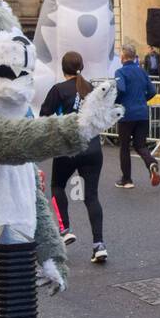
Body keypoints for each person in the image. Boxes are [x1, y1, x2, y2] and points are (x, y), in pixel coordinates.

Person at [41, 51, 108, 263]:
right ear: (82, 67)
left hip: (68, 147)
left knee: (57, 186)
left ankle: (65, 229)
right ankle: (99, 245)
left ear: (63, 69)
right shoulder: (93, 90)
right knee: (92, 196)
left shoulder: (59, 90)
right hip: (93, 147)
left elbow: (44, 117)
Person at [114, 44, 160, 188]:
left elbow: (120, 89)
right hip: (142, 113)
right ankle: (151, 162)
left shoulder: (120, 72)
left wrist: (116, 102)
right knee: (140, 145)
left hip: (127, 114)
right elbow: (152, 91)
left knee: (125, 147)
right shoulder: (142, 72)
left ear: (123, 57)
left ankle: (127, 180)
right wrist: (141, 101)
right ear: (134, 57)